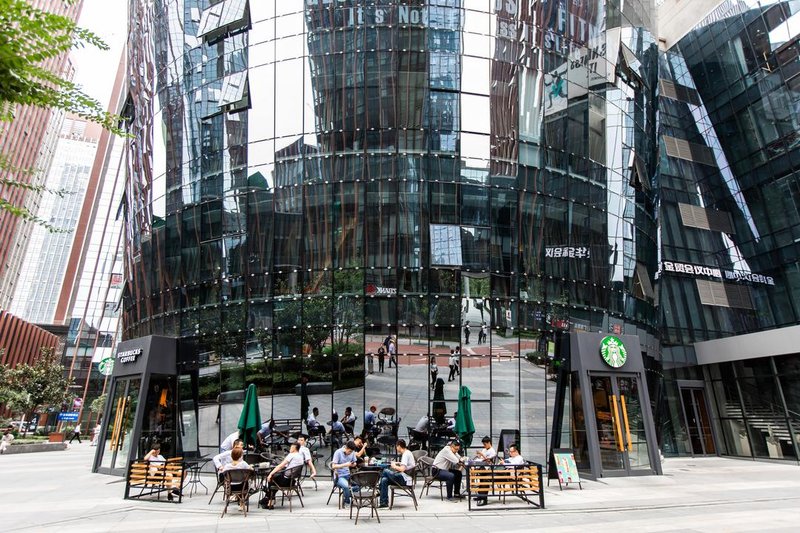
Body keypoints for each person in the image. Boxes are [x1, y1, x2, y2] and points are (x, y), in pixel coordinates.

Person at [263, 442, 305, 509]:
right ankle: (269, 499)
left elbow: (281, 466)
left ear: (294, 448)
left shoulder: (291, 455)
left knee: (271, 479)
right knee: (275, 480)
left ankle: (269, 502)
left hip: (285, 481)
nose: (290, 449)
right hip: (292, 481)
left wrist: (270, 474)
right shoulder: (300, 456)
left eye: (291, 447)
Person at [378, 439, 416, 508]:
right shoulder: (408, 452)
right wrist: (398, 463)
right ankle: (383, 503)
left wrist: (394, 466)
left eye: (396, 446)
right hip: (405, 478)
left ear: (399, 446)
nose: (396, 448)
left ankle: (378, 489)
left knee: (385, 471)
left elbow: (402, 469)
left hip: (405, 479)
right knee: (384, 479)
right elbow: (405, 465)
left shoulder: (405, 454)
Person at [331, 440, 359, 505]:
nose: (350, 453)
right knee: (346, 486)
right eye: (349, 451)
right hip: (339, 476)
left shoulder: (352, 452)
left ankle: (347, 493)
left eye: (351, 452)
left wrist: (353, 464)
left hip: (348, 475)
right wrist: (345, 464)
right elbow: (333, 466)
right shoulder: (338, 452)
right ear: (346, 448)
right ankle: (347, 502)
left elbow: (355, 462)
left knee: (360, 484)